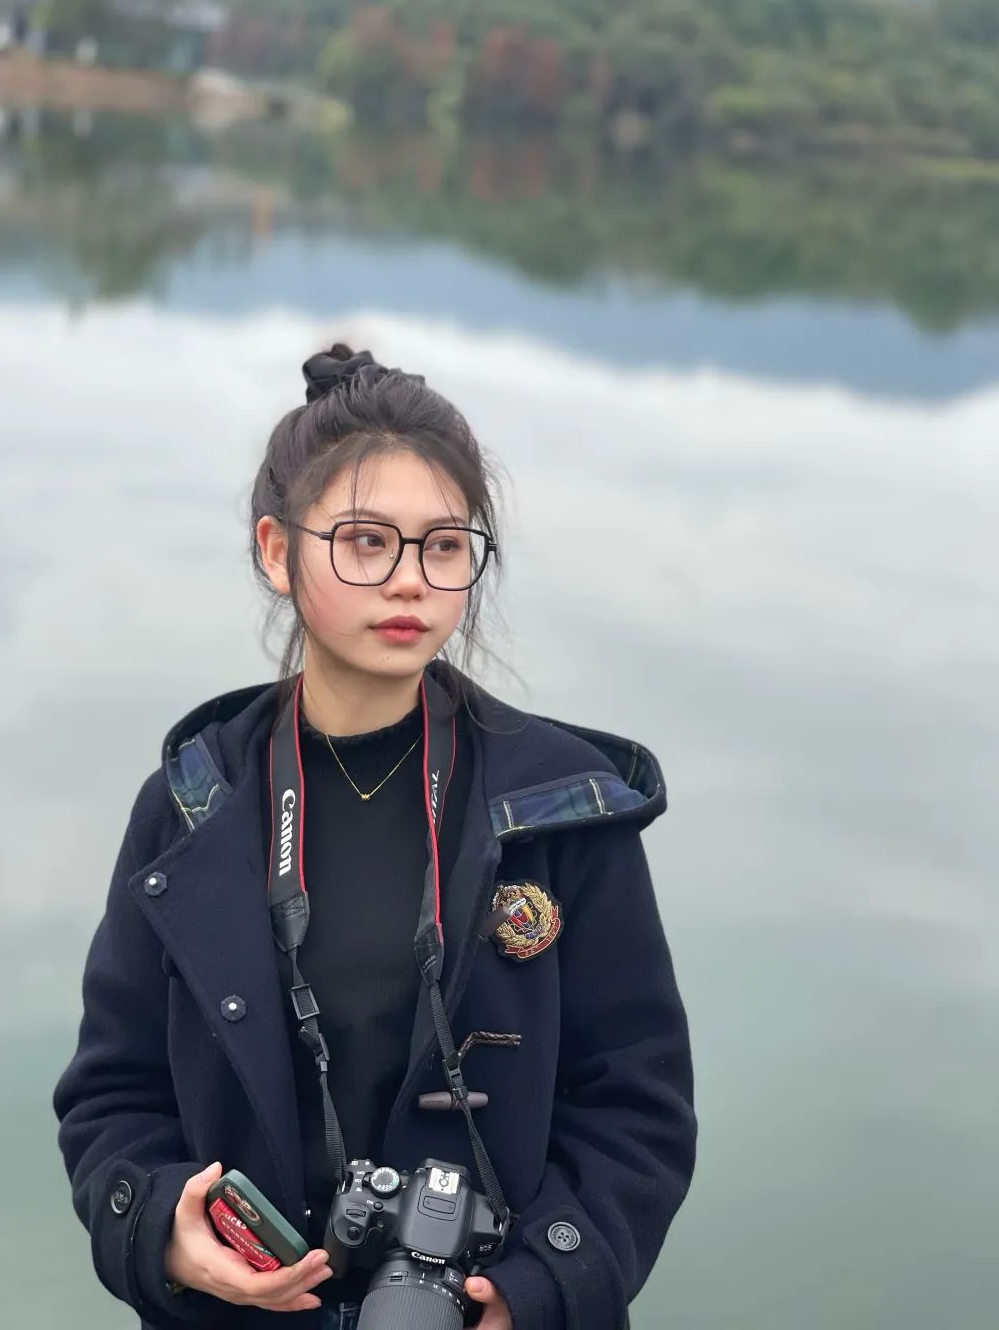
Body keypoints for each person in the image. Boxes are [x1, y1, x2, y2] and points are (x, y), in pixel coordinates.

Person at [52, 343, 697, 1330]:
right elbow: (113, 1093)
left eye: (444, 546)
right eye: (365, 542)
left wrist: (536, 1289)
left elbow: (637, 1107)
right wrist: (164, 1232)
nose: (410, 582)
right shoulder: (193, 805)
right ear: (277, 551)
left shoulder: (562, 809)